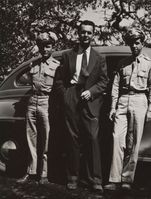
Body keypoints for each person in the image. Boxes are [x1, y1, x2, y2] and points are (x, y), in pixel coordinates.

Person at [53, 20, 108, 192]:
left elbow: (104, 81)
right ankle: (73, 177)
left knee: (92, 138)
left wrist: (91, 92)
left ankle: (95, 179)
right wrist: (66, 96)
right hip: (72, 98)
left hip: (90, 101)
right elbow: (59, 80)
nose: (85, 35)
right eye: (83, 32)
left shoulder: (99, 58)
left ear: (93, 35)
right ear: (78, 34)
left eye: (89, 32)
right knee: (72, 139)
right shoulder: (68, 55)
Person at [104, 28, 151, 191]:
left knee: (133, 142)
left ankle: (127, 178)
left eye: (137, 42)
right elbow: (115, 87)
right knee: (117, 138)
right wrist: (113, 107)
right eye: (131, 43)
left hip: (140, 100)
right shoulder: (122, 63)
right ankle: (114, 179)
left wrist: (150, 109)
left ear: (142, 43)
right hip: (123, 100)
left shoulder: (149, 64)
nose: (134, 46)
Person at [17, 32, 59, 184]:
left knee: (46, 139)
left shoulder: (57, 66)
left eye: (48, 46)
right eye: (42, 46)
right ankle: (31, 171)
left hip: (46, 102)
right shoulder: (33, 64)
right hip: (32, 100)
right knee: (31, 138)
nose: (45, 49)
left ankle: (44, 174)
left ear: (53, 47)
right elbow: (24, 79)